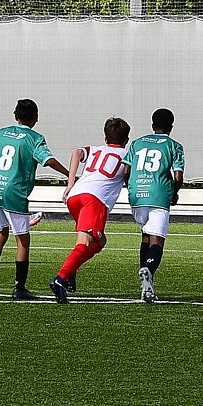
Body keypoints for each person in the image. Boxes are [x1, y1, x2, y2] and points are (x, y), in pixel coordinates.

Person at [0, 99, 69, 300]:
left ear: (15, 115)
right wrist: (69, 174)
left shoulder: (0, 133)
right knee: (23, 239)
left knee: (0, 232)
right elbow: (48, 160)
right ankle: (19, 287)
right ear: (36, 117)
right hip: (14, 191)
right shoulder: (35, 138)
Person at [49, 118, 131, 304]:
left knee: (100, 241)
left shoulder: (95, 149)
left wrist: (71, 183)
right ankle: (61, 279)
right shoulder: (127, 154)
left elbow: (77, 153)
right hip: (94, 199)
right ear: (126, 140)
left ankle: (71, 268)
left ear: (105, 138)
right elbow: (127, 173)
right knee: (84, 243)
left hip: (75, 197)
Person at [121, 108, 184, 303]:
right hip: (159, 195)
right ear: (171, 127)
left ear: (152, 125)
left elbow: (125, 172)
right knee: (157, 241)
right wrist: (174, 193)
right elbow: (178, 177)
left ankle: (146, 287)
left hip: (137, 195)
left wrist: (131, 188)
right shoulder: (174, 146)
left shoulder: (136, 143)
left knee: (146, 236)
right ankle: (148, 270)